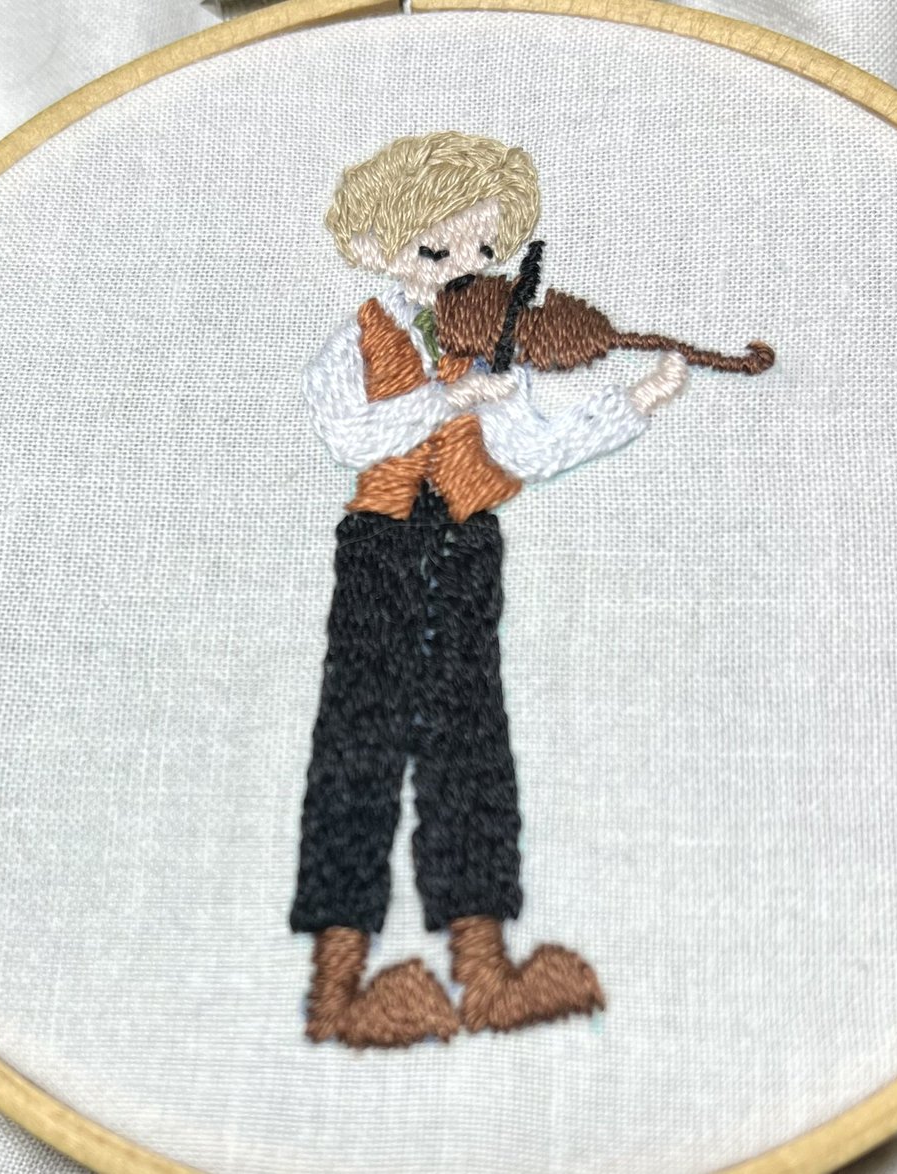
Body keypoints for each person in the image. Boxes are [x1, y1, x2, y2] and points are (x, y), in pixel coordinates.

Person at [290, 131, 689, 1048]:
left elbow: (530, 449)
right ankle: (337, 990)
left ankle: (486, 973)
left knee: (469, 743)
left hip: (466, 543)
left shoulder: (487, 346)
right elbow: (349, 432)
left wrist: (631, 403)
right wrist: (446, 400)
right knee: (361, 744)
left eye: (483, 249)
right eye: (436, 250)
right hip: (386, 546)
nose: (464, 271)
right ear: (377, 249)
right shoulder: (367, 335)